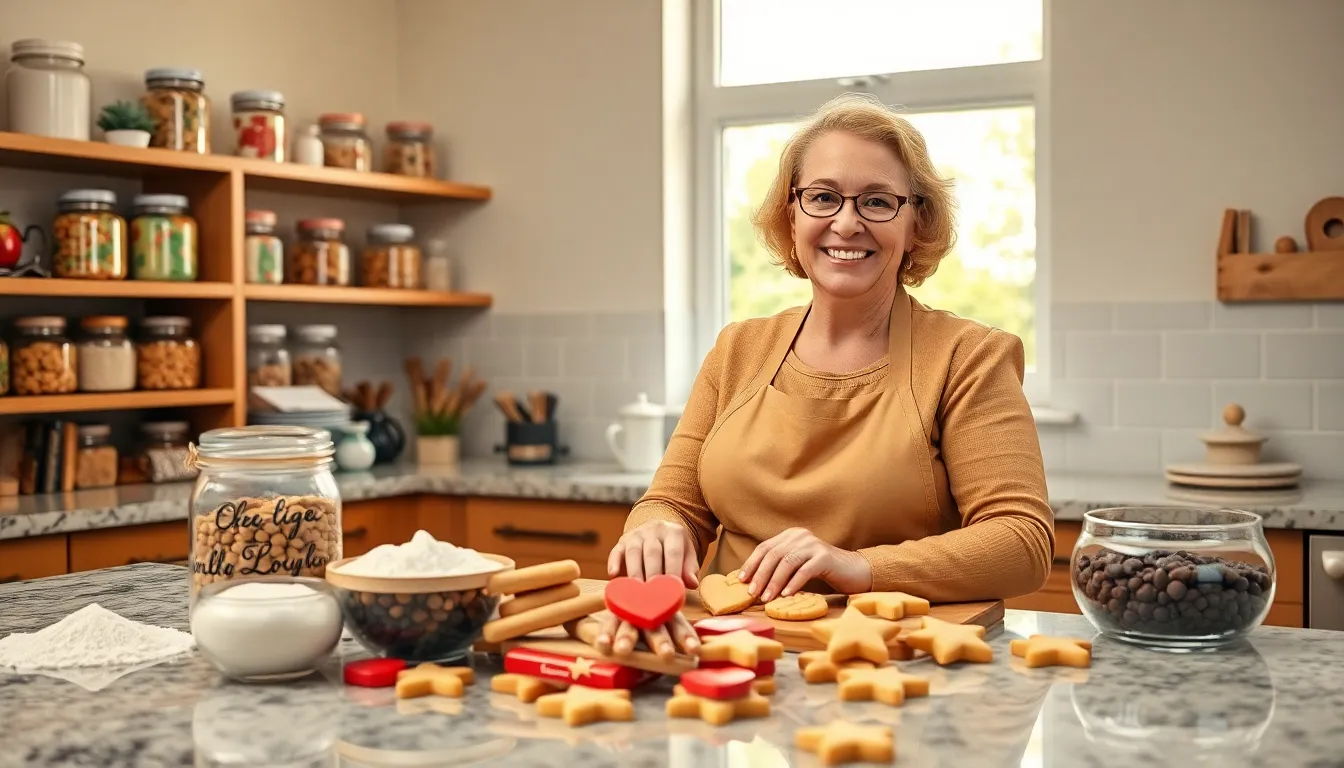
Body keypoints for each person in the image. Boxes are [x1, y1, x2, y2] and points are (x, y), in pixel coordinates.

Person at [594, 92, 1054, 660]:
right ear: (792, 217)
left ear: (917, 223)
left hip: (894, 665)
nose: (846, 222)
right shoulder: (737, 349)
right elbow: (674, 503)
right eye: (822, 197)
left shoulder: (969, 358)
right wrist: (655, 526)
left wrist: (859, 567)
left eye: (878, 202)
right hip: (725, 655)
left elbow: (1022, 541)